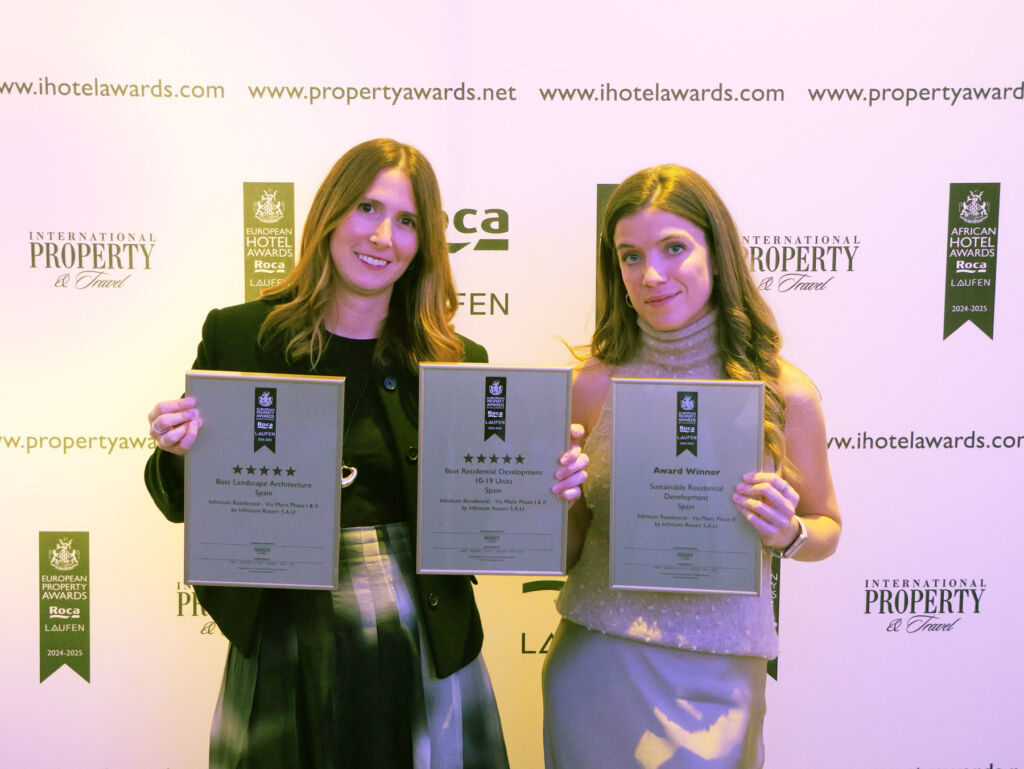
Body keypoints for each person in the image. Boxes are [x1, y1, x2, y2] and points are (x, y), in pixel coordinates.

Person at [144, 138, 588, 769]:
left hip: (422, 628)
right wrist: (180, 450)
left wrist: (542, 490)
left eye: (407, 221)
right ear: (330, 214)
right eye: (367, 209)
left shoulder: (457, 363)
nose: (384, 236)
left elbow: (485, 523)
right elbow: (184, 501)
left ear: (425, 243)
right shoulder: (241, 336)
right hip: (283, 629)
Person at [542, 165, 841, 769]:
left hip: (723, 678)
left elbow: (827, 529)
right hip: (597, 665)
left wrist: (790, 534)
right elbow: (568, 551)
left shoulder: (783, 393)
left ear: (717, 253)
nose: (651, 275)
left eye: (674, 248)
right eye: (630, 256)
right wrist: (556, 508)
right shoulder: (588, 388)